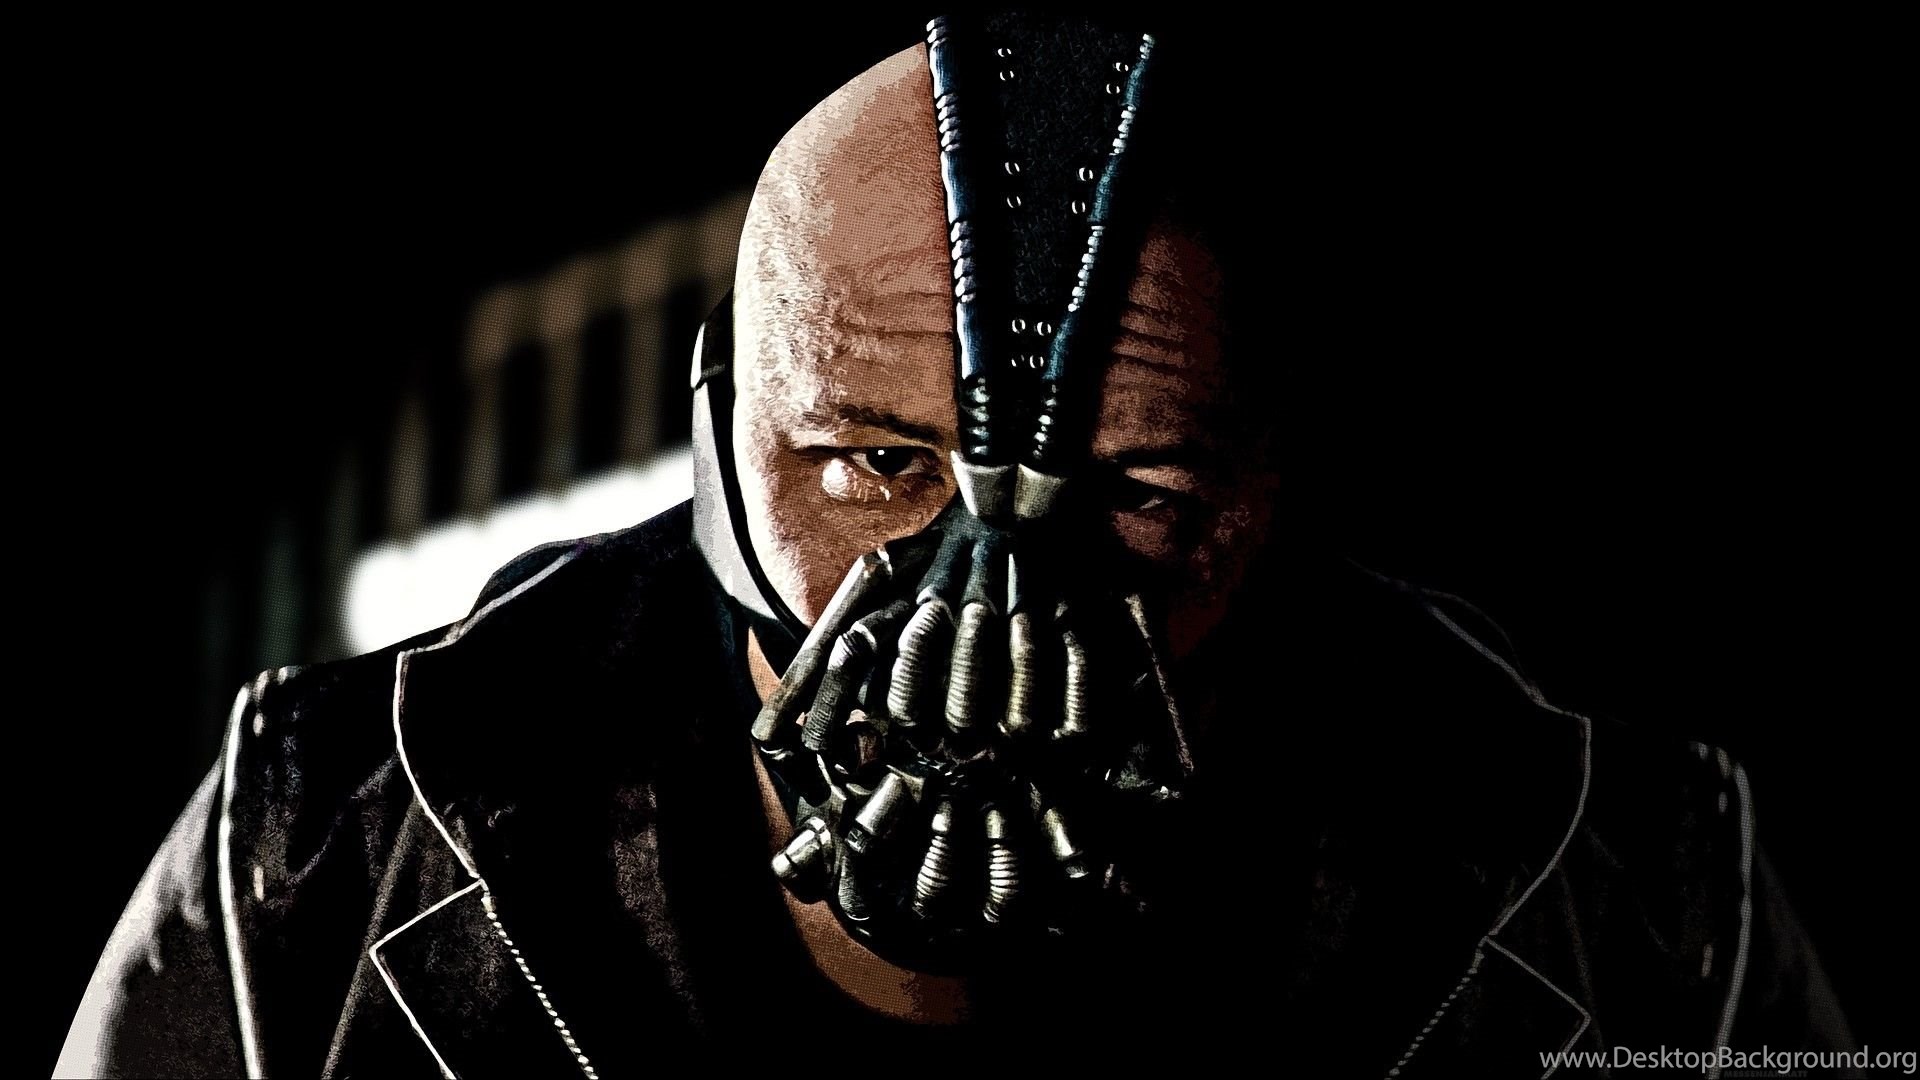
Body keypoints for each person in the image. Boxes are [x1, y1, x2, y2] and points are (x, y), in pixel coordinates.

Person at [57, 14, 1850, 1078]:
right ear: (718, 443)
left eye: (1137, 493)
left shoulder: (1621, 888)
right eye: (872, 464)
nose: (987, 604)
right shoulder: (338, 845)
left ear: (1270, 492)